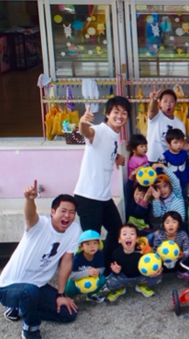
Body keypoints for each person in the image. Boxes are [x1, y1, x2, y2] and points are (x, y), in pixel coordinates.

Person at [0, 184, 79, 338]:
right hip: (9, 287)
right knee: (29, 291)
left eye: (72, 212)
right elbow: (30, 215)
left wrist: (61, 294)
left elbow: (66, 262)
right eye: (63, 211)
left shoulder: (74, 230)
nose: (67, 216)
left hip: (38, 287)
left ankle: (22, 308)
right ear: (52, 212)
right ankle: (30, 328)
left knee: (68, 313)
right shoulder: (40, 225)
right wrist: (29, 199)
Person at [74, 97, 130, 267]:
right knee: (92, 241)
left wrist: (117, 158)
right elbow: (87, 133)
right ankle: (87, 278)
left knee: (117, 230)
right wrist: (82, 123)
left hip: (104, 197)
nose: (120, 116)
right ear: (107, 114)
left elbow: (105, 152)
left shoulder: (113, 136)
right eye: (116, 112)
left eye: (124, 112)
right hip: (88, 197)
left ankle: (105, 267)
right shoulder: (101, 130)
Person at [105, 223, 163, 301]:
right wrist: (116, 271)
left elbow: (152, 264)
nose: (128, 236)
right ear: (119, 239)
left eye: (132, 234)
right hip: (124, 277)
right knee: (109, 282)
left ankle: (142, 286)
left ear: (137, 239)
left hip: (141, 276)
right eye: (124, 234)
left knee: (158, 277)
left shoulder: (142, 252)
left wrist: (155, 271)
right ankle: (120, 289)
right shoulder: (116, 253)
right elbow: (115, 270)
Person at [64, 230, 106, 303]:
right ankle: (70, 299)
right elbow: (71, 275)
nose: (92, 246)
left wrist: (98, 271)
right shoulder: (77, 259)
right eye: (88, 244)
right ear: (82, 246)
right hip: (78, 281)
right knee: (69, 285)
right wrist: (87, 272)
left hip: (92, 280)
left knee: (102, 279)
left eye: (95, 243)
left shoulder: (99, 255)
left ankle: (92, 295)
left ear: (99, 244)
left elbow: (102, 268)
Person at [146, 89, 186, 163]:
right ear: (160, 103)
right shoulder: (156, 116)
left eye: (171, 101)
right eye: (165, 101)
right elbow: (152, 110)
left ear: (175, 104)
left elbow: (183, 142)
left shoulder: (180, 123)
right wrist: (153, 100)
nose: (168, 104)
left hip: (171, 161)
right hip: (153, 159)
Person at [158, 128, 189, 201]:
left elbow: (188, 166)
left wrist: (188, 179)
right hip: (170, 187)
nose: (179, 145)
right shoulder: (164, 157)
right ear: (168, 143)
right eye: (176, 142)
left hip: (183, 185)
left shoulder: (185, 153)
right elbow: (159, 172)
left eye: (181, 142)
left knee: (184, 201)